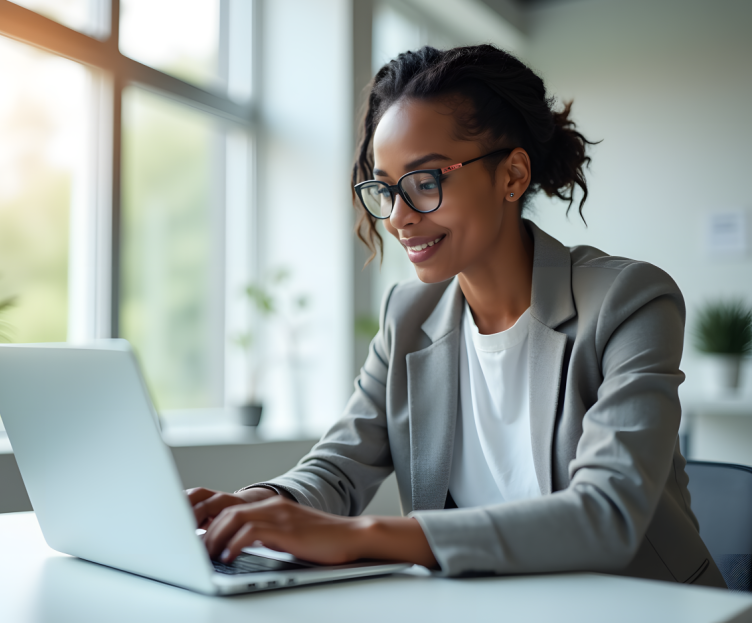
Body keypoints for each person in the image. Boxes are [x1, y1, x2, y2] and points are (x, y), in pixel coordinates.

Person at [187, 44, 726, 588]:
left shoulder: (628, 300)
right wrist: (255, 504)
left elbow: (608, 513)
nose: (398, 219)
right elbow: (340, 465)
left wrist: (363, 536)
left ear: (512, 175)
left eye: (425, 183)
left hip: (646, 606)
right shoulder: (408, 315)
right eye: (386, 189)